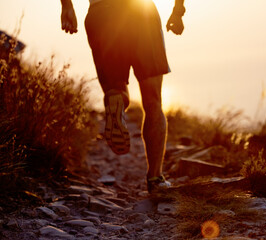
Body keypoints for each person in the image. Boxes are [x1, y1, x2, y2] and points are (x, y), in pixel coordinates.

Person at [60, 0, 185, 193]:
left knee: (114, 89)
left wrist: (67, 7)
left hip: (101, 14)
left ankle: (117, 98)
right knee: (153, 101)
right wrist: (178, 11)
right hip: (141, 13)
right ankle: (155, 178)